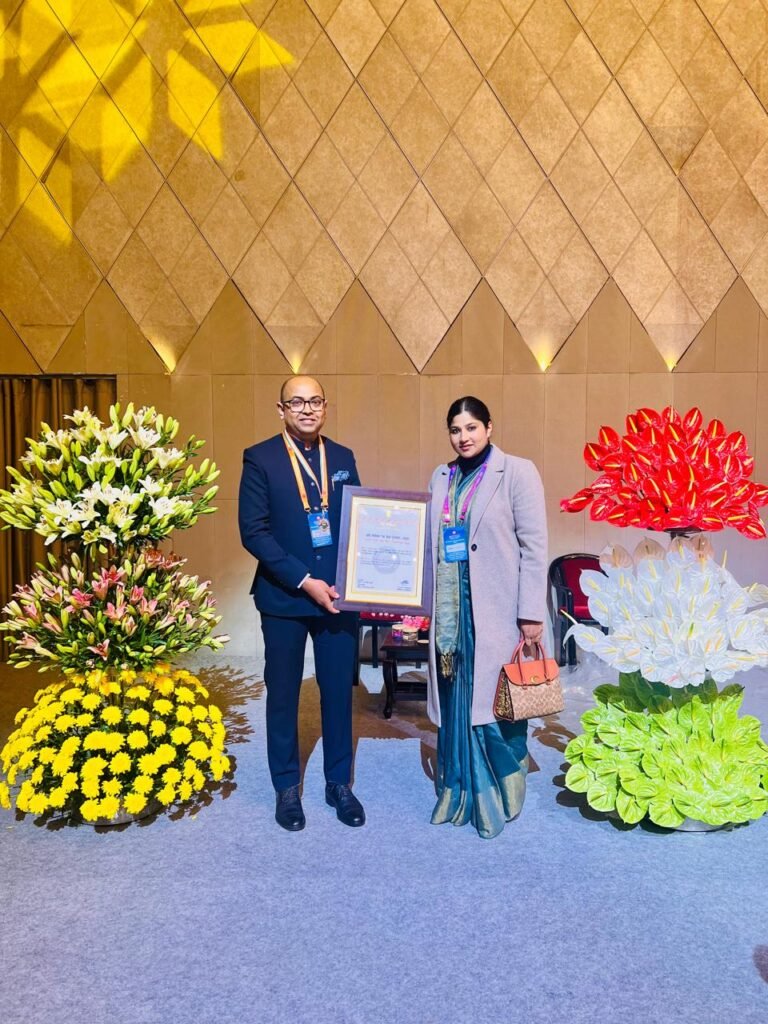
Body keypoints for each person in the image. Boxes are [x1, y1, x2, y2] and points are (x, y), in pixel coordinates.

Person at [238, 376, 365, 831]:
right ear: (281, 409)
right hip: (284, 597)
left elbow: (359, 522)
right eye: (297, 402)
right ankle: (287, 787)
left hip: (337, 598)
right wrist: (305, 580)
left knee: (338, 693)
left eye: (315, 401)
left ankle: (338, 784)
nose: (307, 409)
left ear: (325, 407)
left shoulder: (343, 457)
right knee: (283, 693)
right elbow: (254, 532)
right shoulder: (261, 458)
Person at [427, 396, 548, 839]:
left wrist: (530, 612)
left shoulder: (517, 472)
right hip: (452, 614)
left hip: (496, 611)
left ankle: (498, 795)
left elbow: (535, 547)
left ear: (489, 427)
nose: (464, 437)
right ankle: (458, 788)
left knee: (497, 704)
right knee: (458, 700)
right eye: (455, 430)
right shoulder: (441, 477)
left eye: (472, 427)